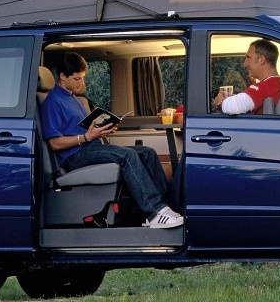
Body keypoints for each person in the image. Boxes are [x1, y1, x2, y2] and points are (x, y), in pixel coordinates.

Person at [41, 52, 183, 229]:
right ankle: (154, 212)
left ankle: (165, 207)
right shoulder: (53, 102)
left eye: (83, 78)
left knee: (147, 153)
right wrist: (87, 137)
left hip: (90, 147)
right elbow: (54, 143)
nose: (82, 83)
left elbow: (82, 128)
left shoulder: (73, 98)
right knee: (127, 156)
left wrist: (102, 130)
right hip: (74, 156)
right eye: (77, 79)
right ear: (63, 76)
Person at [212, 39, 280, 114]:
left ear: (261, 60)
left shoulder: (267, 86)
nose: (245, 63)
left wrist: (220, 103)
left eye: (248, 57)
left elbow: (235, 106)